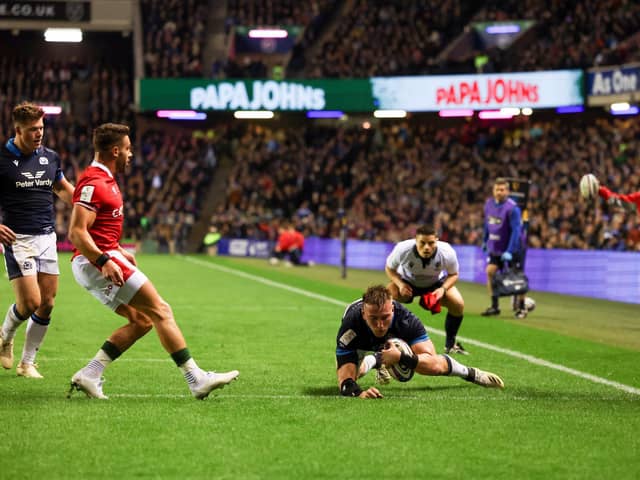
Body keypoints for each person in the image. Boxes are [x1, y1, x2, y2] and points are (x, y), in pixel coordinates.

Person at [67, 123, 239, 400]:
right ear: (115, 150)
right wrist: (105, 260)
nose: (131, 154)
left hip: (101, 258)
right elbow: (76, 232)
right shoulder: (94, 182)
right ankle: (196, 379)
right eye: (127, 149)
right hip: (95, 261)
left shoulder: (104, 180)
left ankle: (90, 374)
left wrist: (118, 250)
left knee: (143, 320)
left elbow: (98, 229)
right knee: (161, 309)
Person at [0, 102, 74, 378]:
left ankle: (27, 362)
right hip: (17, 238)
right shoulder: (2, 159)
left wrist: (88, 205)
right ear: (18, 130)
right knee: (30, 302)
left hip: (47, 236)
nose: (39, 133)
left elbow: (63, 189)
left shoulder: (50, 157)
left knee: (48, 303)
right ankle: (5, 336)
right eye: (33, 129)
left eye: (41, 128)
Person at [335, 285, 504, 399]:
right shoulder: (350, 326)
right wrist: (359, 393)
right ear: (364, 313)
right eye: (373, 318)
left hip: (397, 344)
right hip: (361, 344)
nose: (380, 325)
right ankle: (376, 359)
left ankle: (471, 373)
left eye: (385, 317)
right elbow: (345, 383)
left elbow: (433, 362)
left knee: (432, 366)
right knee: (356, 375)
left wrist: (401, 357)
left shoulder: (406, 320)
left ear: (393, 309)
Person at [385, 225, 468, 355]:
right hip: (407, 282)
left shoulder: (446, 251)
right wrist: (400, 285)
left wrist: (443, 289)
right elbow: (390, 269)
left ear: (437, 241)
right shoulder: (403, 249)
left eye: (431, 243)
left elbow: (454, 274)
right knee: (386, 299)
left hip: (435, 284)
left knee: (458, 304)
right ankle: (386, 340)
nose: (426, 247)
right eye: (422, 243)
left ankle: (450, 345)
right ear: (416, 241)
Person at [481, 178, 527, 319]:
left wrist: (510, 251)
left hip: (513, 249)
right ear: (493, 191)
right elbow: (487, 224)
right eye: (497, 189)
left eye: (502, 190)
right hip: (496, 247)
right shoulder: (488, 204)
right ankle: (495, 306)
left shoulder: (513, 208)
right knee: (490, 272)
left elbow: (516, 231)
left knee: (518, 278)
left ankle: (521, 308)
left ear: (507, 191)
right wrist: (484, 240)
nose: (499, 192)